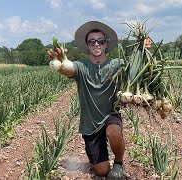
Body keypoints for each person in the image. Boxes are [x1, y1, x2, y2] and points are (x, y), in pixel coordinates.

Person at [48, 21, 151, 179]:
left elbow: (137, 67)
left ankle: (118, 162)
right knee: (102, 171)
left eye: (100, 41)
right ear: (87, 45)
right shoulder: (81, 66)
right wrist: (60, 59)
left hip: (111, 114)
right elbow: (67, 69)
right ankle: (100, 160)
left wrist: (143, 49)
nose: (96, 44)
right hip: (90, 123)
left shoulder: (117, 65)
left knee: (114, 130)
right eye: (92, 41)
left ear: (106, 44)